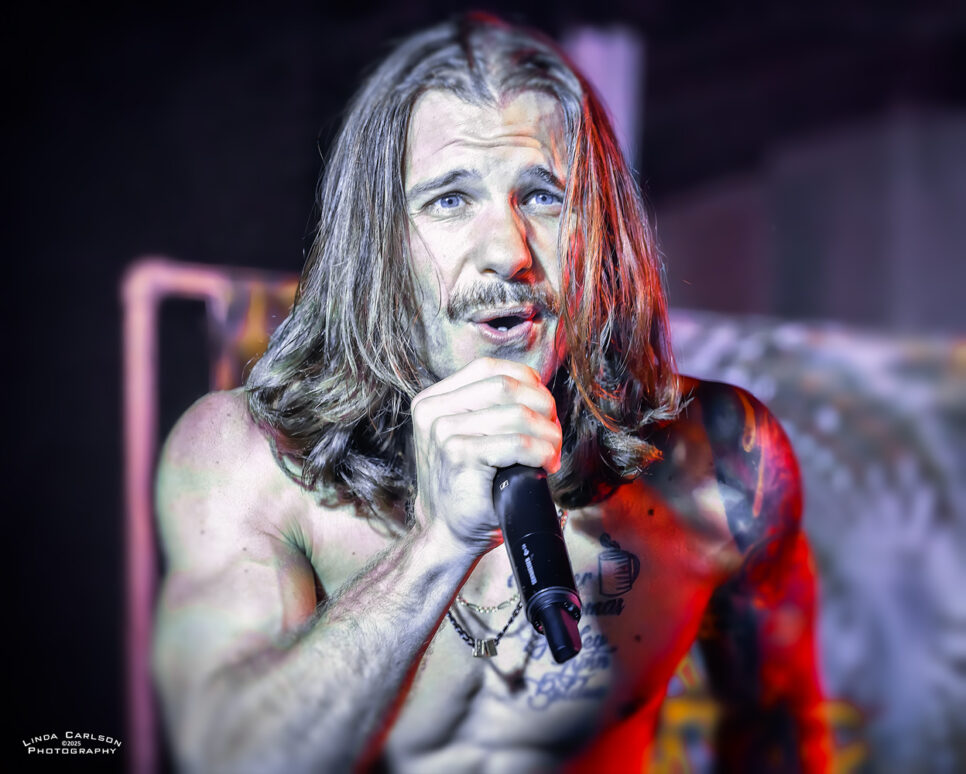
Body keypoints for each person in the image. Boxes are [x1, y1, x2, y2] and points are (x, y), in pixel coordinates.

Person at [153, 14, 830, 773]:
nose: (507, 252)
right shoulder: (248, 456)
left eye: (543, 197)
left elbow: (780, 734)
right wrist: (437, 546)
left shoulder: (719, 457)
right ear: (376, 242)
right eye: (449, 200)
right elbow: (229, 757)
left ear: (599, 233)